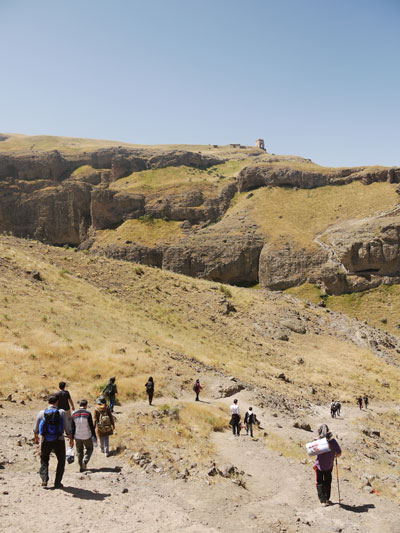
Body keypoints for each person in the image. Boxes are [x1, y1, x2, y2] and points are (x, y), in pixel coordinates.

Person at [33, 395, 72, 488]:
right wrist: (71, 438)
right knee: (61, 460)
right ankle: (57, 482)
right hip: (59, 440)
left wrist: (36, 437)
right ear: (57, 402)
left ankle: (44, 480)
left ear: (48, 402)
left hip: (46, 440)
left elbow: (36, 429)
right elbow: (67, 428)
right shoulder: (61, 412)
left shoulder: (41, 413)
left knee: (44, 459)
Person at [314, 424, 342, 506]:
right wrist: (334, 455)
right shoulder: (333, 441)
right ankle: (326, 499)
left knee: (319, 482)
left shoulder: (317, 441)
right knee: (327, 482)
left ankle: (322, 500)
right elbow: (339, 453)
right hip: (329, 465)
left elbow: (311, 451)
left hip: (319, 465)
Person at [71, 400, 97, 472]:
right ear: (86, 405)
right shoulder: (88, 414)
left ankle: (81, 467)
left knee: (79, 451)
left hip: (77, 436)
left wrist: (71, 438)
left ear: (79, 405)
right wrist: (94, 436)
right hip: (86, 435)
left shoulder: (74, 414)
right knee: (89, 449)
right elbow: (91, 426)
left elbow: (72, 428)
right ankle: (84, 461)